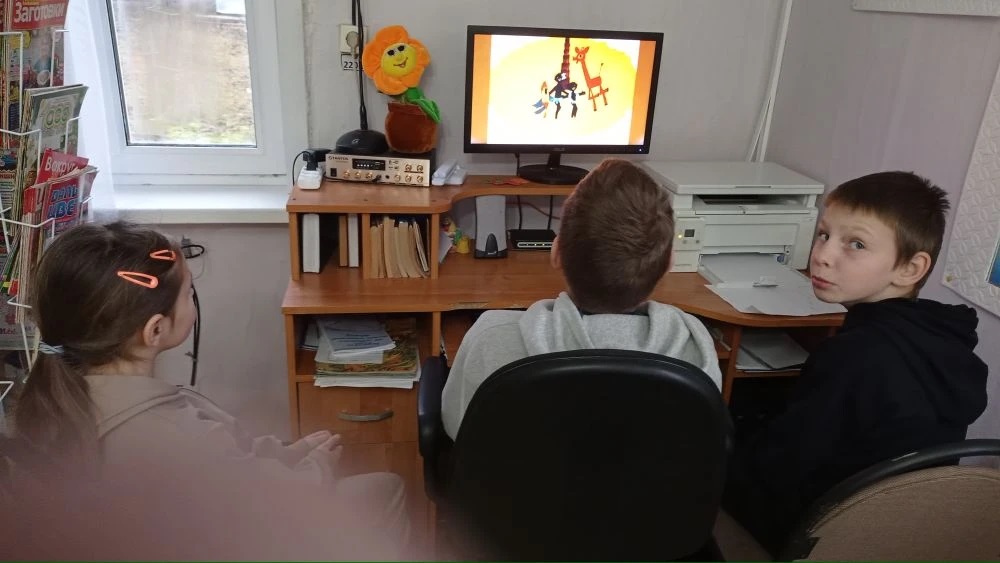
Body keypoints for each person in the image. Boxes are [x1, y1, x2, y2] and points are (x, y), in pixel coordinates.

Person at [4, 222, 409, 560]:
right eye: (187, 294)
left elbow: (232, 463)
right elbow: (269, 499)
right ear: (155, 330)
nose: (192, 302)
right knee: (384, 488)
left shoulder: (50, 403)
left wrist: (288, 453)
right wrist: (317, 463)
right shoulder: (176, 434)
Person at [723, 171, 989, 555]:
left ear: (910, 269)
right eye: (824, 234)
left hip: (816, 532)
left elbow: (777, 470)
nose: (822, 255)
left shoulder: (856, 355)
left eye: (856, 244)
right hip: (895, 535)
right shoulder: (945, 343)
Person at [441, 158, 723, 440]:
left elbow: (458, 428)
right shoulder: (696, 349)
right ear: (669, 263)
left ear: (556, 253)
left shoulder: (491, 337)